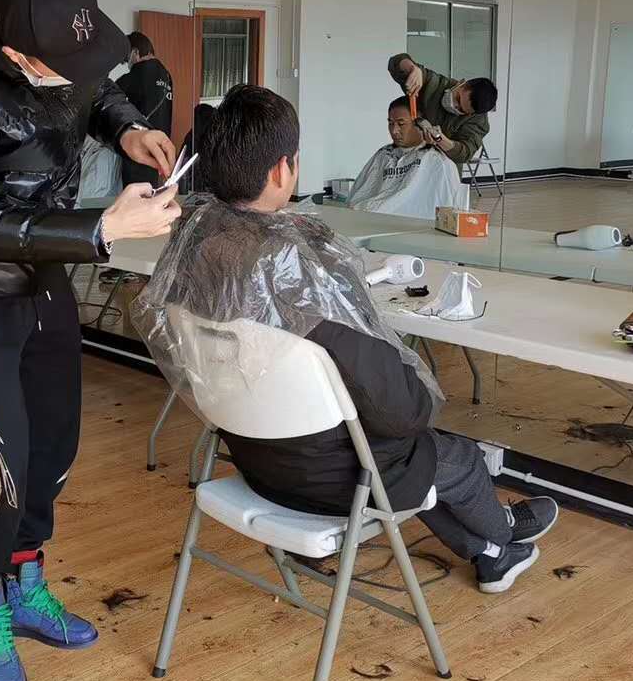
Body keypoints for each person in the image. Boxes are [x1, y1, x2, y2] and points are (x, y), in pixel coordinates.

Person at [135, 84, 558, 594]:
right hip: (337, 481)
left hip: (251, 459)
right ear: (282, 169)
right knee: (448, 456)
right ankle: (503, 534)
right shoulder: (302, 275)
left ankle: (492, 553)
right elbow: (403, 413)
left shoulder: (193, 242)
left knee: (411, 455)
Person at [0, 0, 180, 681]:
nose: (78, 79)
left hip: (47, 266)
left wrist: (129, 129)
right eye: (62, 69)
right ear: (20, 57)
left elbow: (96, 89)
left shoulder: (60, 51)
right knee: (0, 460)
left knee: (54, 444)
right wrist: (103, 228)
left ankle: (25, 575)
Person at [347, 96, 470, 217]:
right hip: (370, 216)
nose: (394, 131)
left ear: (421, 126)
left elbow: (445, 210)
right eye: (390, 123)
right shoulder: (383, 154)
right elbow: (361, 193)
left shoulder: (436, 161)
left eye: (401, 124)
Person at [388, 52, 497, 166]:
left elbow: (464, 153)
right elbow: (396, 61)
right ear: (461, 83)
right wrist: (412, 69)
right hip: (410, 159)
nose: (454, 105)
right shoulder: (435, 85)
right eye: (457, 98)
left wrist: (440, 139)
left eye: (461, 110)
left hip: (444, 169)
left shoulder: (478, 121)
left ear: (471, 114)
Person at [114, 30, 175, 186]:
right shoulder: (167, 75)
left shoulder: (135, 75)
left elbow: (109, 101)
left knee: (135, 192)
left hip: (139, 146)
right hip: (160, 145)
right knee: (151, 189)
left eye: (127, 59)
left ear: (135, 52)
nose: (128, 64)